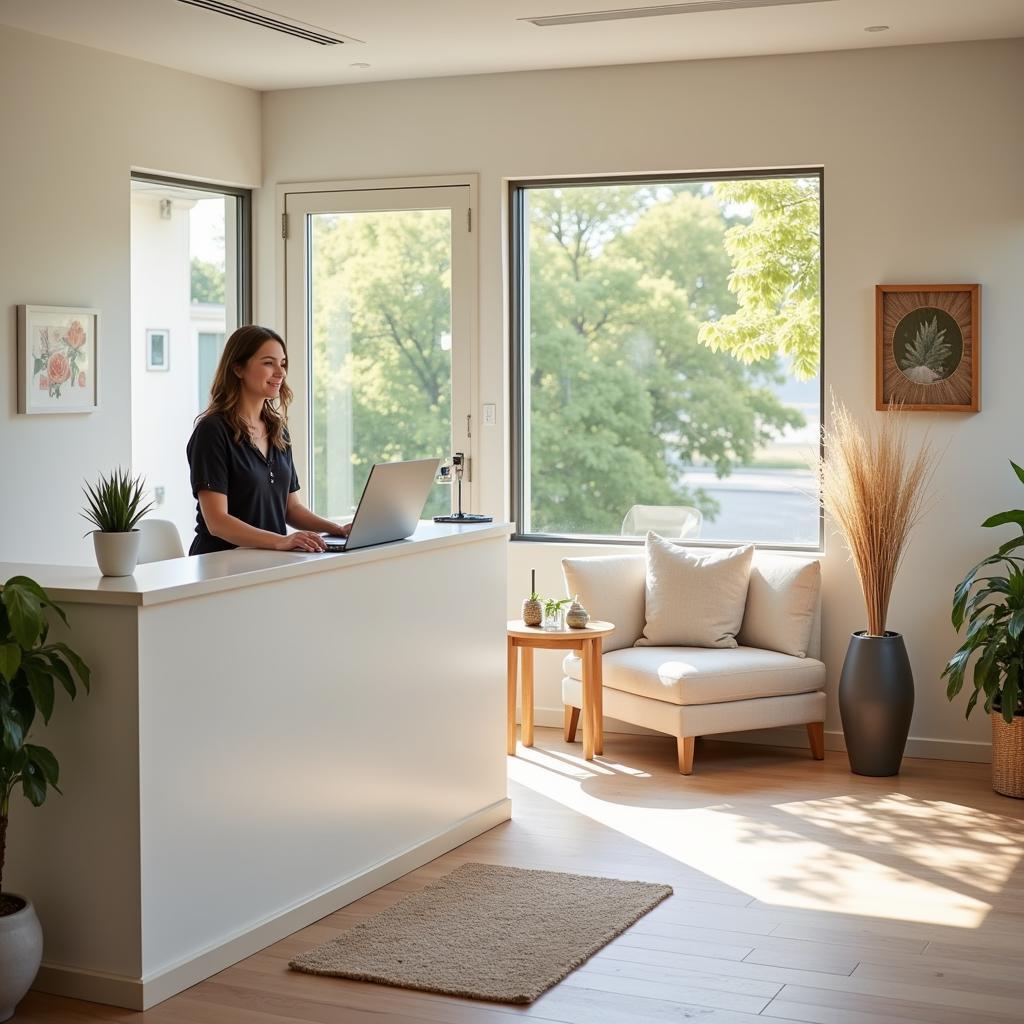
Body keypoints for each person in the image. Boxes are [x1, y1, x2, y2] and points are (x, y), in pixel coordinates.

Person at [186, 325, 350, 555]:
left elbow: (291, 508)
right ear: (238, 368)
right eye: (268, 363)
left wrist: (337, 530)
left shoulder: (277, 430)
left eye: (282, 363)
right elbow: (217, 522)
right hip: (220, 566)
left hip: (269, 563)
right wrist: (281, 541)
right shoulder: (212, 431)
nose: (280, 372)